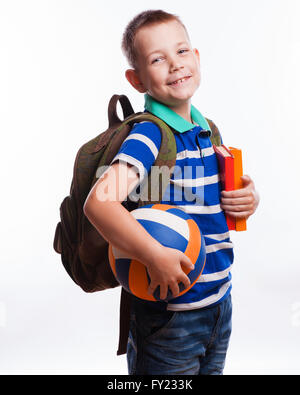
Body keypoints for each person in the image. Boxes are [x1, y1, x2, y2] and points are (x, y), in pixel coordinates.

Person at [83, 9, 259, 375]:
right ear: (138, 80)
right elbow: (99, 203)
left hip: (218, 303)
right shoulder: (150, 135)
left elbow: (211, 204)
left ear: (197, 58)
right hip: (169, 317)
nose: (175, 65)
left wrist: (248, 199)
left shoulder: (207, 129)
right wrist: (154, 254)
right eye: (157, 59)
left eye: (181, 52)